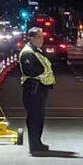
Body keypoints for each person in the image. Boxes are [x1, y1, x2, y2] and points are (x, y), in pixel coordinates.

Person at [19, 27, 56, 155]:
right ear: (31, 38)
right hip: (33, 89)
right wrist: (42, 72)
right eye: (39, 38)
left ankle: (37, 142)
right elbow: (30, 71)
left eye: (42, 37)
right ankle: (34, 145)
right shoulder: (28, 53)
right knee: (34, 118)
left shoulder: (36, 51)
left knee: (39, 118)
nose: (41, 40)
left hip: (39, 89)